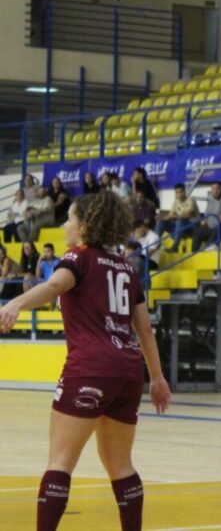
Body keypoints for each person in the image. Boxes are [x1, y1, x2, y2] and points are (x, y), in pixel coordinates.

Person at [0, 190, 171, 531]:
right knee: (120, 465)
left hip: (90, 367)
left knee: (60, 461)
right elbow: (145, 331)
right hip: (127, 372)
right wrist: (158, 378)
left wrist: (14, 304)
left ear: (85, 224)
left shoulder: (77, 258)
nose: (64, 224)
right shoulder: (126, 268)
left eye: (70, 218)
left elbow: (53, 287)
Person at [154, 184, 200, 253]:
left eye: (181, 192)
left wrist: (174, 216)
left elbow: (188, 215)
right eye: (177, 192)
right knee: (162, 223)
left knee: (180, 221)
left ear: (185, 192)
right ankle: (154, 245)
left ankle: (175, 246)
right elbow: (170, 216)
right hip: (180, 229)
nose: (179, 194)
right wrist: (162, 217)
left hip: (192, 228)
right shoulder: (176, 202)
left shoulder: (191, 200)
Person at [191, 182, 221, 252]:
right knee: (196, 232)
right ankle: (194, 254)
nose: (215, 191)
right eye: (213, 189)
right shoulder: (211, 200)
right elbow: (206, 215)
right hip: (208, 226)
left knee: (214, 234)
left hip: (218, 226)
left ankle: (207, 251)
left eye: (217, 189)